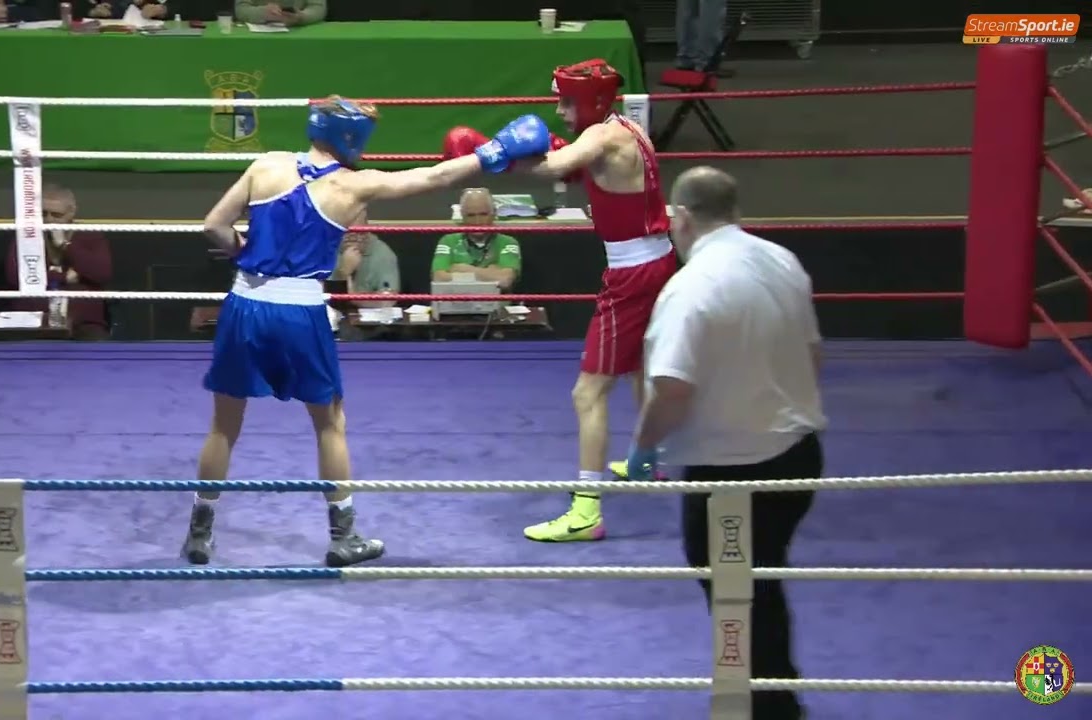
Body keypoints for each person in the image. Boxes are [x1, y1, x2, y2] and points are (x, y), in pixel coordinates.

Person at [187, 96, 552, 567]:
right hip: (300, 309)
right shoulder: (354, 187)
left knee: (224, 425)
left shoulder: (266, 165)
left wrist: (243, 250)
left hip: (245, 302)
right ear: (350, 139)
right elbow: (435, 177)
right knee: (329, 424)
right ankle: (343, 536)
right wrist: (492, 153)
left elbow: (213, 225)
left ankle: (200, 532)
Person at [444, 59, 677, 542]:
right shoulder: (627, 128)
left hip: (632, 272)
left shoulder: (602, 139)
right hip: (658, 260)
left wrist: (488, 153)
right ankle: (647, 460)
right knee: (640, 367)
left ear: (591, 101)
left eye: (568, 101)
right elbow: (575, 165)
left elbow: (552, 166)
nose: (560, 110)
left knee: (587, 393)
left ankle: (587, 509)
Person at [626, 167, 826, 720]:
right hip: (799, 452)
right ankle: (775, 698)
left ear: (681, 218)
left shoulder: (690, 286)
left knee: (736, 594)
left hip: (736, 471)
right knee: (759, 580)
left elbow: (670, 389)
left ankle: (758, 708)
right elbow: (812, 355)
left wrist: (643, 447)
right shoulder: (782, 260)